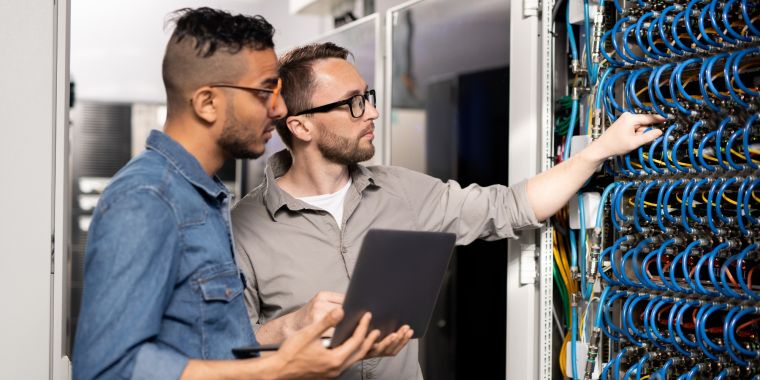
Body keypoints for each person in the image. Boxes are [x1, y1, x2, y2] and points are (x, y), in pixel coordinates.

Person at [231, 42, 665, 379]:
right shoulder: (243, 229)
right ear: (301, 125)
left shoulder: (403, 192)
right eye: (353, 103)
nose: (374, 112)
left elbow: (509, 206)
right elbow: (227, 349)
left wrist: (600, 150)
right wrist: (292, 327)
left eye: (369, 96)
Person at [72, 10, 385, 380]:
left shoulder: (205, 198)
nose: (280, 108)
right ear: (207, 103)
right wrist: (280, 368)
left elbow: (209, 342)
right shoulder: (147, 200)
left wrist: (295, 330)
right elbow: (105, 370)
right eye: (265, 90)